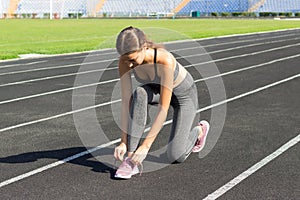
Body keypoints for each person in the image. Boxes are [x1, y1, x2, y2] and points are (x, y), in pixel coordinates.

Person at [114, 26, 210, 179]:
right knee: (139, 93)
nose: (130, 65)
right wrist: (123, 142)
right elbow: (126, 102)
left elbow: (163, 109)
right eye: (126, 60)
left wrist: (145, 146)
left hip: (183, 97)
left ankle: (199, 131)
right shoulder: (124, 61)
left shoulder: (164, 60)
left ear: (144, 47)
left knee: (175, 156)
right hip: (157, 91)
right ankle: (130, 161)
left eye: (132, 60)